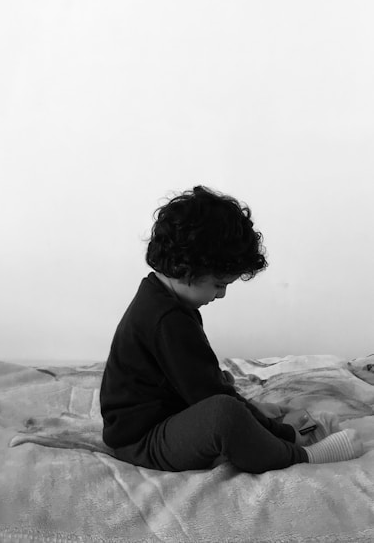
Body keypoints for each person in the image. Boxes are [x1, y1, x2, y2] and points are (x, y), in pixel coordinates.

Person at [100, 186, 364, 474]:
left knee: (227, 396)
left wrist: (253, 411)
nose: (222, 295)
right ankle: (303, 457)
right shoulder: (167, 319)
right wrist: (283, 433)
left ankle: (249, 434)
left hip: (163, 418)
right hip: (142, 442)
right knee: (223, 416)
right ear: (185, 267)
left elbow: (199, 382)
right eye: (219, 285)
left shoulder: (161, 297)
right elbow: (209, 396)